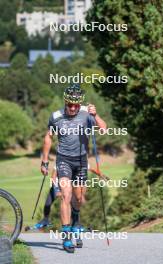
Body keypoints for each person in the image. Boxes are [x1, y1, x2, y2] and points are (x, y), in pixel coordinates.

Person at [41, 84, 107, 253]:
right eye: (69, 104)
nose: (72, 108)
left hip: (81, 161)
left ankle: (76, 221)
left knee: (78, 198)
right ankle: (66, 235)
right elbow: (48, 138)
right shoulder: (56, 116)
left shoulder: (86, 114)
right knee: (65, 194)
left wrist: (96, 115)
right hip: (63, 160)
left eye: (76, 105)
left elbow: (104, 129)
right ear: (65, 102)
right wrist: (45, 161)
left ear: (80, 104)